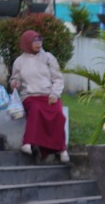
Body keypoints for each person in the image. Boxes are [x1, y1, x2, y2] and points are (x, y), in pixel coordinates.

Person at [9, 30, 67, 163]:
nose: (38, 43)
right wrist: (14, 83)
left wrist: (55, 93)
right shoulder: (19, 61)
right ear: (27, 43)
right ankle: (28, 142)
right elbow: (15, 78)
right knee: (36, 110)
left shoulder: (48, 57)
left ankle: (61, 149)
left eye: (39, 40)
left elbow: (58, 78)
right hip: (30, 96)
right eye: (34, 41)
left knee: (59, 114)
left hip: (49, 95)